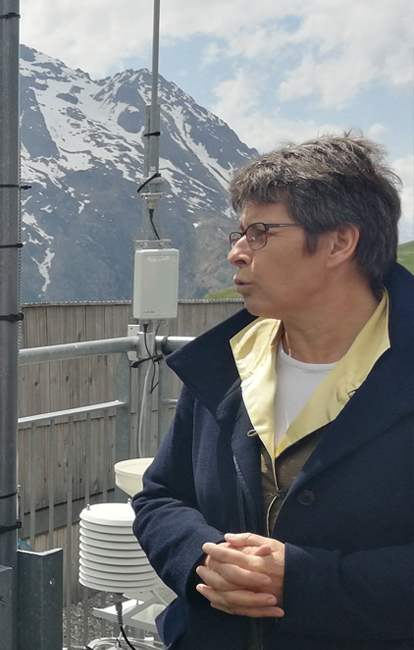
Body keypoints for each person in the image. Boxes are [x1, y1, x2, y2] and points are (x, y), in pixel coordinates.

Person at [133, 135, 413, 650]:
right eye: (241, 233)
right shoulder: (226, 361)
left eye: (260, 233)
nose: (235, 254)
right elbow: (161, 496)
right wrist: (202, 558)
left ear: (338, 243)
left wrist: (308, 580)